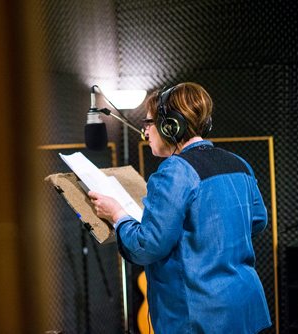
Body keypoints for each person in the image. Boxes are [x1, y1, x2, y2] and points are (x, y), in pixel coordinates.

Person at [88, 82, 271, 333]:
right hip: (248, 309)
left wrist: (118, 215)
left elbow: (147, 246)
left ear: (169, 126)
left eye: (149, 123)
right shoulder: (238, 164)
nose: (146, 131)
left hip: (201, 318)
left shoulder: (175, 170)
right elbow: (258, 220)